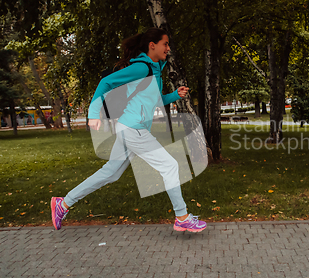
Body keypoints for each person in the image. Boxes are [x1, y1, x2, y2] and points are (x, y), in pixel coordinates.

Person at [51, 27, 206, 233]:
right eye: (165, 44)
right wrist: (93, 113)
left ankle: (63, 204)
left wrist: (175, 95)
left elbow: (156, 101)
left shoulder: (154, 70)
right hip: (133, 128)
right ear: (153, 46)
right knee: (169, 166)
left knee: (110, 173)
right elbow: (106, 82)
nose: (168, 48)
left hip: (129, 127)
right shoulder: (143, 68)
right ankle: (182, 217)